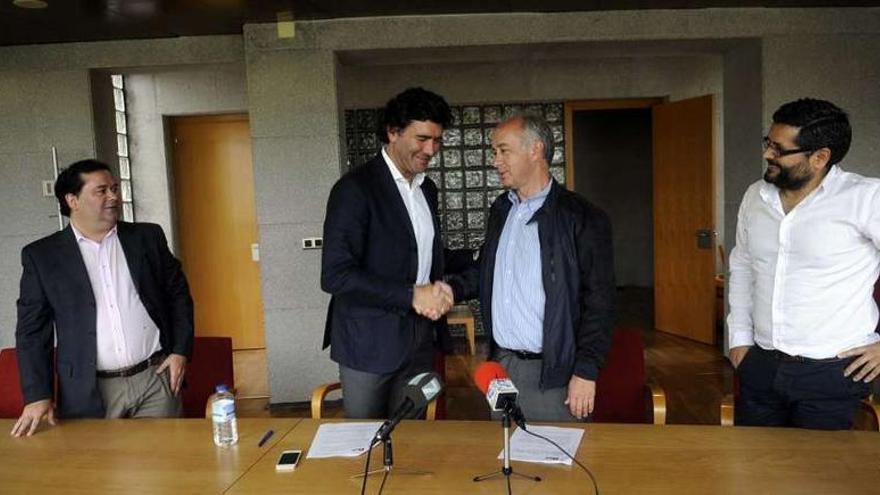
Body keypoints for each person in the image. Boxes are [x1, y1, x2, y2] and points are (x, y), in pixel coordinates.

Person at [447, 114, 616, 421]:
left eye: (503, 150)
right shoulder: (501, 210)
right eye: (494, 152)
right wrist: (450, 290)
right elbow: (486, 270)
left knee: (558, 462)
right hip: (502, 368)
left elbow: (600, 302)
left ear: (536, 150)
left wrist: (586, 370)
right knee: (508, 460)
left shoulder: (583, 217)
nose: (496, 161)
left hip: (555, 374)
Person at [11, 160, 194, 437]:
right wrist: (38, 394)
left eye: (115, 188)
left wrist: (180, 350)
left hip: (154, 379)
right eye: (101, 191)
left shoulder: (147, 237)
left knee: (163, 468)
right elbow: (32, 331)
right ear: (72, 200)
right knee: (101, 474)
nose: (113, 196)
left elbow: (178, 294)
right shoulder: (42, 257)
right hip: (89, 389)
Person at [728, 98, 880, 429]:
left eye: (779, 150)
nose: (768, 154)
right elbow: (741, 266)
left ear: (820, 157)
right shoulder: (756, 196)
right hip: (761, 364)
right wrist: (739, 337)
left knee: (817, 477)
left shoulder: (866, 199)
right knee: (755, 469)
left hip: (833, 370)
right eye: (768, 143)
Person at [321, 87, 454, 419]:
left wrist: (482, 258)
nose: (431, 150)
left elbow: (421, 257)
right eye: (422, 139)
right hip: (367, 346)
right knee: (365, 447)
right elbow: (336, 274)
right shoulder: (354, 189)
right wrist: (411, 295)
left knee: (412, 445)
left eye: (437, 141)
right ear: (393, 132)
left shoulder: (427, 189)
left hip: (419, 342)